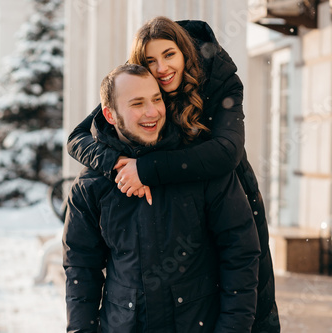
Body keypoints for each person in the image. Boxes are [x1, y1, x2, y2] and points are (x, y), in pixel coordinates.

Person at [67, 17, 280, 332]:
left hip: (220, 173)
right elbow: (79, 136)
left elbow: (226, 152)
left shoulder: (220, 79)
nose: (162, 68)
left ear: (185, 53)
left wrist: (146, 170)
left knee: (255, 290)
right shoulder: (137, 84)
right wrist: (115, 164)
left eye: (170, 54)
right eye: (151, 61)